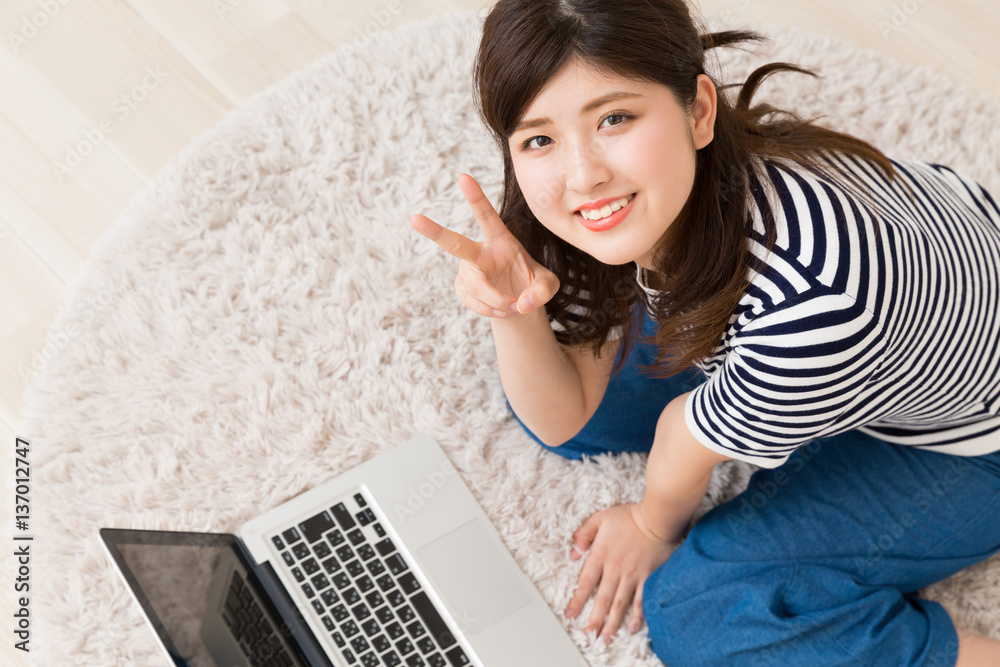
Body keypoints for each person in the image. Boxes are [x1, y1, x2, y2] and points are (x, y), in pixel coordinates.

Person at [410, 0, 1000, 664]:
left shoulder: (811, 306)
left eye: (614, 118)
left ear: (698, 111)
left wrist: (650, 524)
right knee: (579, 409)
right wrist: (515, 310)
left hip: (976, 437)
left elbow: (682, 438)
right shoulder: (672, 198)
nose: (583, 175)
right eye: (538, 139)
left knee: (696, 611)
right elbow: (563, 417)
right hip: (918, 300)